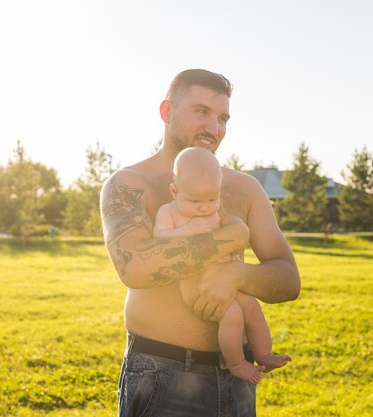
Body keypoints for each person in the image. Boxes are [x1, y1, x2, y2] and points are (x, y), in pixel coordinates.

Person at [100, 69, 300, 417]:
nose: (214, 127)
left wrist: (236, 276)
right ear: (167, 112)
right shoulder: (130, 184)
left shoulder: (245, 188)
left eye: (222, 117)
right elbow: (134, 268)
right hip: (162, 377)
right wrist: (228, 238)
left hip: (238, 377)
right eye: (201, 112)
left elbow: (288, 280)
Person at [153, 146, 291, 385]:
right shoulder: (170, 213)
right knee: (233, 315)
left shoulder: (216, 210)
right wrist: (188, 230)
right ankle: (236, 363)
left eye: (211, 199)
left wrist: (234, 228)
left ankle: (264, 355)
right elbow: (160, 237)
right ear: (174, 191)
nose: (204, 207)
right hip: (198, 284)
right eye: (195, 200)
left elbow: (234, 228)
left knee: (252, 310)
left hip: (230, 279)